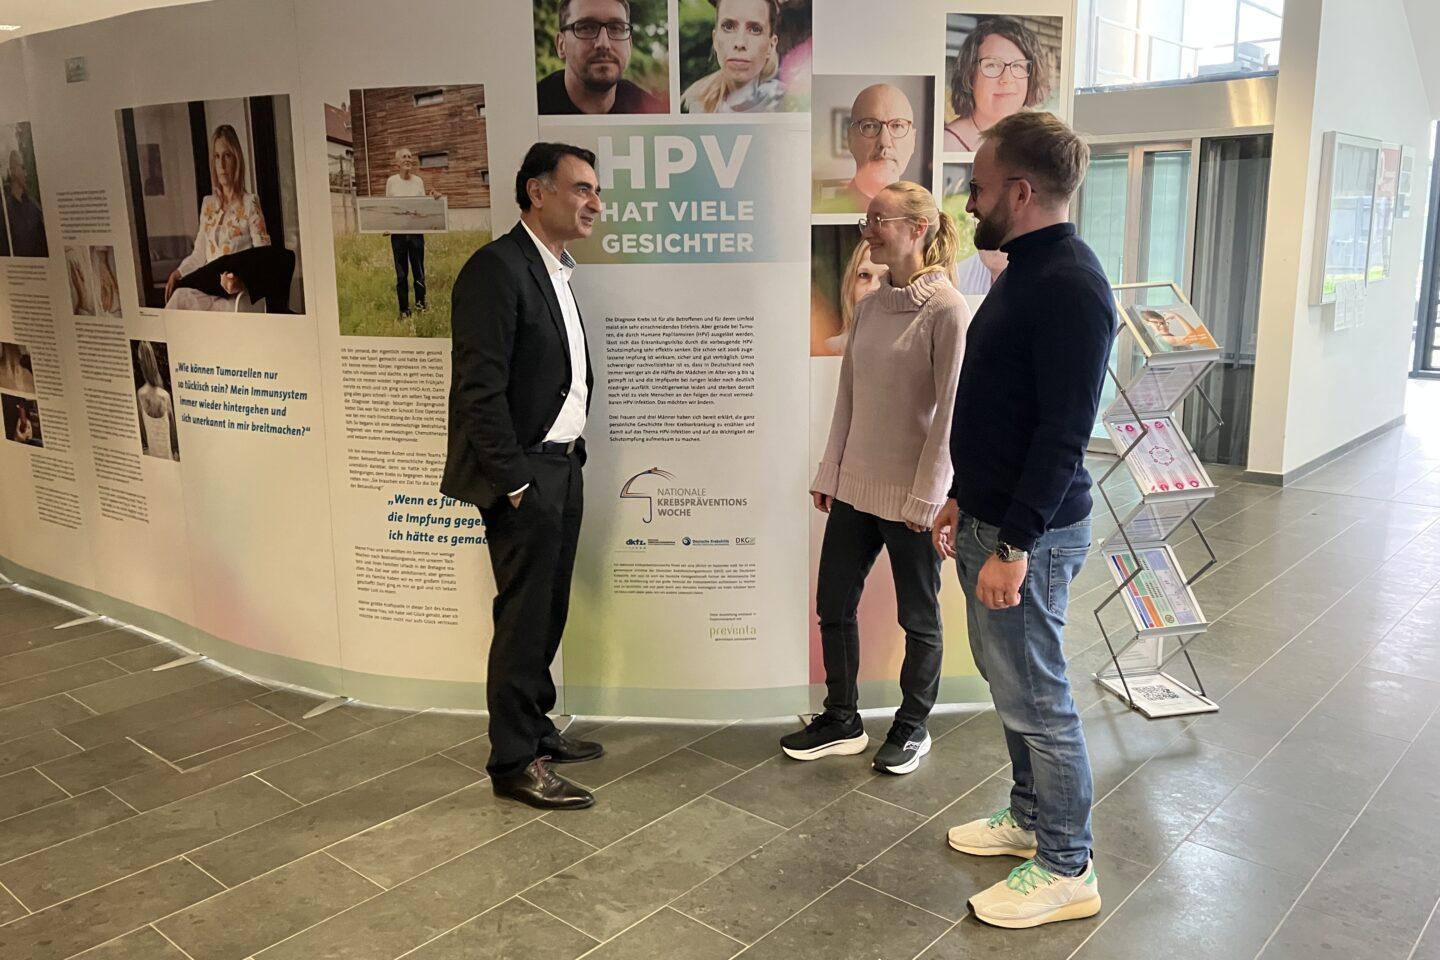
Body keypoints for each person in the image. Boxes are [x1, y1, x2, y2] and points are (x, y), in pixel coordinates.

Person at [931, 112, 1113, 929]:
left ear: (1021, 189)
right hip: (993, 517)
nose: (969, 201)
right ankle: (1031, 817)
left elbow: (1064, 434)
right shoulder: (1026, 270)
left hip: (1027, 536)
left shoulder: (1070, 283)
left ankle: (1068, 864)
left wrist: (1013, 543)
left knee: (1040, 696)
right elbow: (1003, 409)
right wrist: (965, 495)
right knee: (1013, 686)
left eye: (977, 186)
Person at [782, 181, 970, 775]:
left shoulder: (947, 310)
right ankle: (842, 719)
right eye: (867, 221)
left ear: (917, 228)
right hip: (856, 490)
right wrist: (830, 472)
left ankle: (913, 726)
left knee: (919, 617)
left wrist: (927, 497)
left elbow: (951, 416)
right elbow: (848, 399)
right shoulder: (867, 308)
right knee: (833, 605)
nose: (868, 232)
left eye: (878, 221)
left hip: (912, 499)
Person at [441, 142, 604, 810]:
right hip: (526, 475)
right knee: (522, 619)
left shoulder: (556, 271)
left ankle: (536, 729)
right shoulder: (496, 269)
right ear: (537, 192)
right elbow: (477, 392)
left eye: (597, 191)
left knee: (548, 610)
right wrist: (514, 483)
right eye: (582, 188)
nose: (595, 203)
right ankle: (513, 761)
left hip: (563, 466)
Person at [165, 125, 271, 312]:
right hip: (209, 289)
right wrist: (178, 273)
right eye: (216, 156)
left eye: (227, 156)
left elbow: (265, 258)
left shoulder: (250, 203)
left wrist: (241, 281)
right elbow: (199, 255)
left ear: (236, 159)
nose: (221, 165)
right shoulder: (208, 204)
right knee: (179, 298)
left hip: (236, 295)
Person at [943, 17, 1051, 153]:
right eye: (992, 65)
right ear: (970, 74)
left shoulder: (1040, 139)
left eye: (1017, 66)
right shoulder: (947, 145)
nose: (1007, 79)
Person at [537, 0, 665, 115]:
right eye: (587, 27)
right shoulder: (532, 110)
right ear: (561, 45)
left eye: (616, 28)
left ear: (629, 45)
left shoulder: (653, 114)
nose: (604, 44)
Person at [815, 84, 917, 214]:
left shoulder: (923, 213)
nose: (884, 142)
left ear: (913, 140)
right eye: (870, 126)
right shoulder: (826, 214)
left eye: (897, 125)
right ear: (850, 139)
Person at [682, 0, 784, 113]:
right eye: (728, 27)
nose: (740, 43)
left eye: (755, 29)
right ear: (715, 40)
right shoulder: (694, 106)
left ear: (771, 45)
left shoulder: (789, 103)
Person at [385, 148, 443, 319]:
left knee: (419, 272)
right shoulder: (391, 182)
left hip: (416, 234)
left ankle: (421, 306)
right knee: (401, 274)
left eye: (410, 157)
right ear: (397, 162)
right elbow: (388, 208)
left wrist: (433, 199)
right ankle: (404, 310)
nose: (408, 159)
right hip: (398, 236)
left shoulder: (418, 181)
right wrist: (387, 226)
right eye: (404, 157)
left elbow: (422, 208)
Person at [819, 239, 886, 356]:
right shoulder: (828, 350)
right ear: (851, 286)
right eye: (864, 275)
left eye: (885, 277)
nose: (873, 288)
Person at [135, 341, 179, 461]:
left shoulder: (140, 394)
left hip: (153, 459)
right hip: (168, 458)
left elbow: (143, 432)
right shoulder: (165, 396)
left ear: (141, 364)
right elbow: (173, 434)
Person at [4, 148, 48, 258]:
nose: (26, 173)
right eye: (23, 167)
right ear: (13, 170)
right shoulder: (5, 212)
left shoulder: (34, 206)